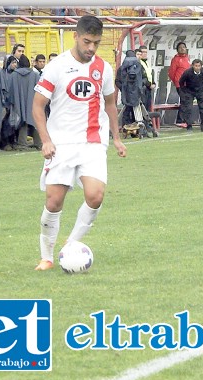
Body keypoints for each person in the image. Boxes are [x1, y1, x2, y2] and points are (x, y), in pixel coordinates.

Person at [32, 15, 127, 271]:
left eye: (96, 43)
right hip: (61, 144)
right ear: (76, 36)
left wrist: (116, 138)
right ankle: (47, 257)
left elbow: (109, 104)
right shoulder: (56, 67)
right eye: (87, 42)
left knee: (95, 196)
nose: (91, 48)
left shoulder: (104, 69)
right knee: (54, 201)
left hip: (92, 142)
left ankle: (70, 245)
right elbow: (38, 106)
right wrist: (46, 141)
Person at [7, 54, 41, 150]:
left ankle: (22, 143)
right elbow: (40, 89)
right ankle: (39, 143)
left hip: (18, 102)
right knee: (35, 122)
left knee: (22, 122)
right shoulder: (35, 75)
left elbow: (10, 90)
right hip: (33, 103)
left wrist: (12, 102)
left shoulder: (14, 75)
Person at [178, 59, 203, 132]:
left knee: (202, 109)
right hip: (189, 91)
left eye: (199, 66)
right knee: (188, 108)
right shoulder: (187, 72)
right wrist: (185, 91)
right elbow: (181, 82)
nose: (197, 68)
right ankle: (189, 127)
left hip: (200, 91)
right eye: (196, 66)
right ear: (192, 66)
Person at [168, 42, 190, 127]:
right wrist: (176, 81)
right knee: (184, 101)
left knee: (187, 101)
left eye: (184, 47)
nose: (182, 49)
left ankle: (186, 120)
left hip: (188, 84)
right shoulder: (176, 59)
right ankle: (180, 120)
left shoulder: (187, 58)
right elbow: (171, 72)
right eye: (180, 47)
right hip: (180, 84)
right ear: (177, 50)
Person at [138, 45, 155, 114]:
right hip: (143, 88)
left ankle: (147, 123)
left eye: (146, 52)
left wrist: (153, 83)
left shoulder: (147, 63)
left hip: (149, 88)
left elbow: (150, 75)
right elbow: (142, 76)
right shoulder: (139, 63)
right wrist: (149, 85)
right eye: (143, 52)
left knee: (148, 107)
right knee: (143, 107)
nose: (144, 54)